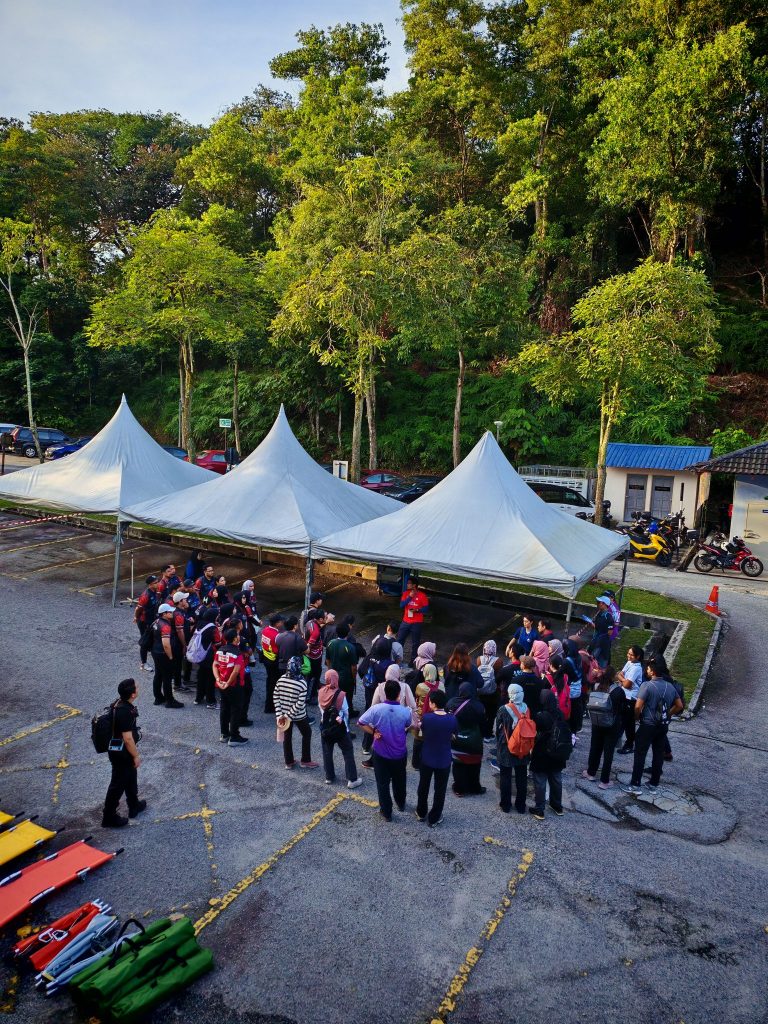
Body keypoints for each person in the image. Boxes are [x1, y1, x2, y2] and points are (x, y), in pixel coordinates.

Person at [358, 678, 415, 821]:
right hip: (399, 753)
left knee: (382, 784)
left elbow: (361, 722)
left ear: (384, 693)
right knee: (400, 781)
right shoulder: (405, 712)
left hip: (380, 753)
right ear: (399, 694)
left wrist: (373, 732)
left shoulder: (376, 709)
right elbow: (408, 725)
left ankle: (386, 812)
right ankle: (400, 803)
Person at [626, 658, 683, 795]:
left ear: (652, 672)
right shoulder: (670, 686)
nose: (646, 670)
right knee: (658, 753)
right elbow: (679, 705)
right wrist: (667, 714)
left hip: (648, 724)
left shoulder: (647, 685)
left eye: (648, 669)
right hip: (662, 725)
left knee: (640, 753)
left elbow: (638, 706)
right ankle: (653, 784)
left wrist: (637, 717)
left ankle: (635, 784)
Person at [101, 678, 146, 828]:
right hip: (122, 754)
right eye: (136, 687)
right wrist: (136, 755)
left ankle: (134, 805)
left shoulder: (119, 703)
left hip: (119, 751)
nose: (138, 688)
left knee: (131, 776)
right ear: (132, 694)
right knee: (117, 784)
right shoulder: (125, 712)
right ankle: (109, 817)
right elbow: (127, 738)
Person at [416, 689, 457, 827]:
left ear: (433, 703)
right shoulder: (452, 719)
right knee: (440, 790)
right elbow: (454, 736)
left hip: (427, 757)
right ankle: (434, 817)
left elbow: (421, 732)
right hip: (444, 759)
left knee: (423, 786)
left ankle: (421, 812)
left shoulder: (427, 718)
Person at [583, 666, 626, 789]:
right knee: (608, 752)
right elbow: (622, 708)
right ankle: (604, 781)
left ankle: (591, 773)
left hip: (596, 722)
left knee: (595, 747)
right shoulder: (618, 691)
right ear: (613, 677)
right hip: (611, 725)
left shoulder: (596, 687)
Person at [318, 669, 362, 790]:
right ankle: (352, 779)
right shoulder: (341, 695)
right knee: (347, 751)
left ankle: (329, 776)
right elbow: (346, 713)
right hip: (340, 728)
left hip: (325, 727)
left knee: (327, 752)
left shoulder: (320, 692)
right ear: (336, 679)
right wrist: (345, 726)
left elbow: (321, 708)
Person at [275, 656, 319, 769]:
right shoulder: (302, 683)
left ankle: (288, 762)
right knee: (307, 733)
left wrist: (280, 715)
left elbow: (276, 697)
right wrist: (288, 716)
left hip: (283, 715)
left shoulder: (281, 679)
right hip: (299, 715)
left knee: (287, 737)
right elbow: (300, 703)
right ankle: (305, 760)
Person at [529, 690, 567, 819]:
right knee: (556, 779)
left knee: (540, 780)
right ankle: (557, 806)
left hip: (542, 752)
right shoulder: (560, 714)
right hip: (557, 752)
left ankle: (539, 809)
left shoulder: (540, 716)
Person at [495, 684, 532, 814]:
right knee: (522, 776)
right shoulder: (526, 709)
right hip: (523, 746)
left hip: (507, 746)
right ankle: (521, 805)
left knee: (505, 776)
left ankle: (505, 805)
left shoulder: (503, 709)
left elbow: (497, 728)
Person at [448, 681, 486, 796]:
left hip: (457, 737)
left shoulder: (452, 703)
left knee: (458, 763)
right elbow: (483, 723)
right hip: (474, 738)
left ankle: (459, 789)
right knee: (475, 763)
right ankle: (474, 787)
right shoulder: (479, 706)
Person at [213, 628, 248, 746]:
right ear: (234, 639)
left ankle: (224, 734)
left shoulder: (220, 650)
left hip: (221, 684)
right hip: (234, 685)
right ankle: (234, 736)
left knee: (224, 708)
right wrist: (228, 683)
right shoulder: (237, 653)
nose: (239, 637)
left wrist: (218, 679)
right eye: (237, 635)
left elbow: (215, 665)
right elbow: (236, 671)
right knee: (236, 709)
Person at [150, 604, 183, 709]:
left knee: (158, 675)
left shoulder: (156, 621)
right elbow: (166, 644)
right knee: (167, 678)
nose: (172, 613)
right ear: (164, 614)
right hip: (163, 654)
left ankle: (158, 698)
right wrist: (170, 656)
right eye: (170, 612)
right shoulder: (165, 626)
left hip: (155, 651)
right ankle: (170, 701)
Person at [412, 664, 442, 769]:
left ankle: (416, 763)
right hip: (436, 716)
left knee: (418, 740)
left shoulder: (420, 686)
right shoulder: (441, 686)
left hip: (422, 716)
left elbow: (416, 697)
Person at [616, 645, 645, 754]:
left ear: (638, 656)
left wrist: (622, 680)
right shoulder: (629, 663)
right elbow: (619, 674)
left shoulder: (637, 668)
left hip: (631, 698)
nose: (628, 656)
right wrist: (623, 679)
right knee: (622, 720)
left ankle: (629, 744)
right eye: (628, 653)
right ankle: (619, 741)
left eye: (631, 654)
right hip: (624, 695)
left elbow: (627, 684)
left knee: (629, 723)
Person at [325, 622, 358, 716]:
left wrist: (330, 671)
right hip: (346, 677)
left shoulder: (330, 643)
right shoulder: (350, 647)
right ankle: (349, 711)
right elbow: (354, 667)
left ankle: (335, 710)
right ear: (347, 633)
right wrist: (354, 678)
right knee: (348, 696)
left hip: (333, 675)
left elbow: (327, 660)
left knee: (335, 694)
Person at [397, 578, 430, 661]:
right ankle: (397, 658)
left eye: (409, 583)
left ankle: (413, 661)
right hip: (405, 622)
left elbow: (426, 609)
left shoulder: (422, 595)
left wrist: (417, 610)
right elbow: (401, 605)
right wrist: (409, 597)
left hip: (417, 623)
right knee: (400, 640)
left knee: (415, 643)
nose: (407, 584)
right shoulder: (405, 594)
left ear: (414, 585)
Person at [192, 609, 219, 709]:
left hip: (200, 654)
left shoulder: (200, 623)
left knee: (201, 676)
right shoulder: (213, 628)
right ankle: (211, 701)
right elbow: (217, 642)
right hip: (210, 655)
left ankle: (198, 698)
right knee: (210, 679)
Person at [476, 640, 503, 741]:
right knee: (491, 714)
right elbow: (499, 677)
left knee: (481, 712)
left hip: (480, 691)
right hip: (493, 693)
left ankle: (480, 732)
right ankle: (488, 734)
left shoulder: (479, 659)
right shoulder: (498, 661)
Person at [260, 612, 285, 714]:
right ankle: (270, 706)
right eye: (281, 621)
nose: (282, 623)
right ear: (277, 623)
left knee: (270, 681)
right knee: (274, 684)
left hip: (266, 659)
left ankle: (269, 704)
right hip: (274, 662)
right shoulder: (277, 635)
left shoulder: (265, 630)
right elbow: (279, 650)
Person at [134, 575, 159, 672]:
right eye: (155, 583)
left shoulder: (155, 592)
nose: (157, 584)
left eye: (157, 582)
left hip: (151, 620)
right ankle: (143, 663)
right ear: (150, 585)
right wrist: (136, 617)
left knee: (152, 640)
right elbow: (138, 608)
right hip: (144, 622)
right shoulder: (146, 595)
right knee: (145, 642)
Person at [171, 591, 193, 693]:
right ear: (180, 601)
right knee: (177, 664)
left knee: (180, 663)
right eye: (184, 599)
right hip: (178, 643)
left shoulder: (181, 611)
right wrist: (184, 645)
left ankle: (181, 681)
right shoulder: (178, 614)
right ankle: (177, 685)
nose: (186, 600)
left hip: (180, 642)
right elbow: (180, 631)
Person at [303, 608, 326, 704]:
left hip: (312, 655)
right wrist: (306, 653)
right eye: (325, 617)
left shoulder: (310, 622)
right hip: (314, 656)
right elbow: (309, 646)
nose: (326, 618)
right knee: (314, 676)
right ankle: (310, 697)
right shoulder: (315, 632)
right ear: (320, 619)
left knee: (310, 675)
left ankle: (308, 694)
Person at [588, 595, 614, 668]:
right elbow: (597, 627)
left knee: (600, 664)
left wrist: (601, 638)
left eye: (599, 602)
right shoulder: (599, 614)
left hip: (603, 644)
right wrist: (592, 624)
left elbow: (610, 633)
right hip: (595, 641)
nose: (597, 604)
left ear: (604, 604)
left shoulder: (608, 617)